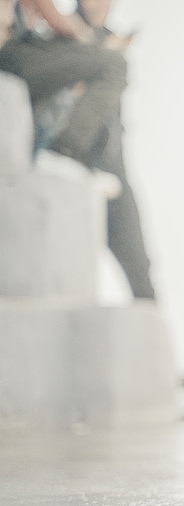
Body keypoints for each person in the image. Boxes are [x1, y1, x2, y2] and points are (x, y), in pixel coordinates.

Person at [0, 0, 156, 300]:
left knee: (139, 264)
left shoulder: (110, 40)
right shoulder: (58, 36)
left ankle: (150, 329)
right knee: (58, 257)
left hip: (109, 163)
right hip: (67, 155)